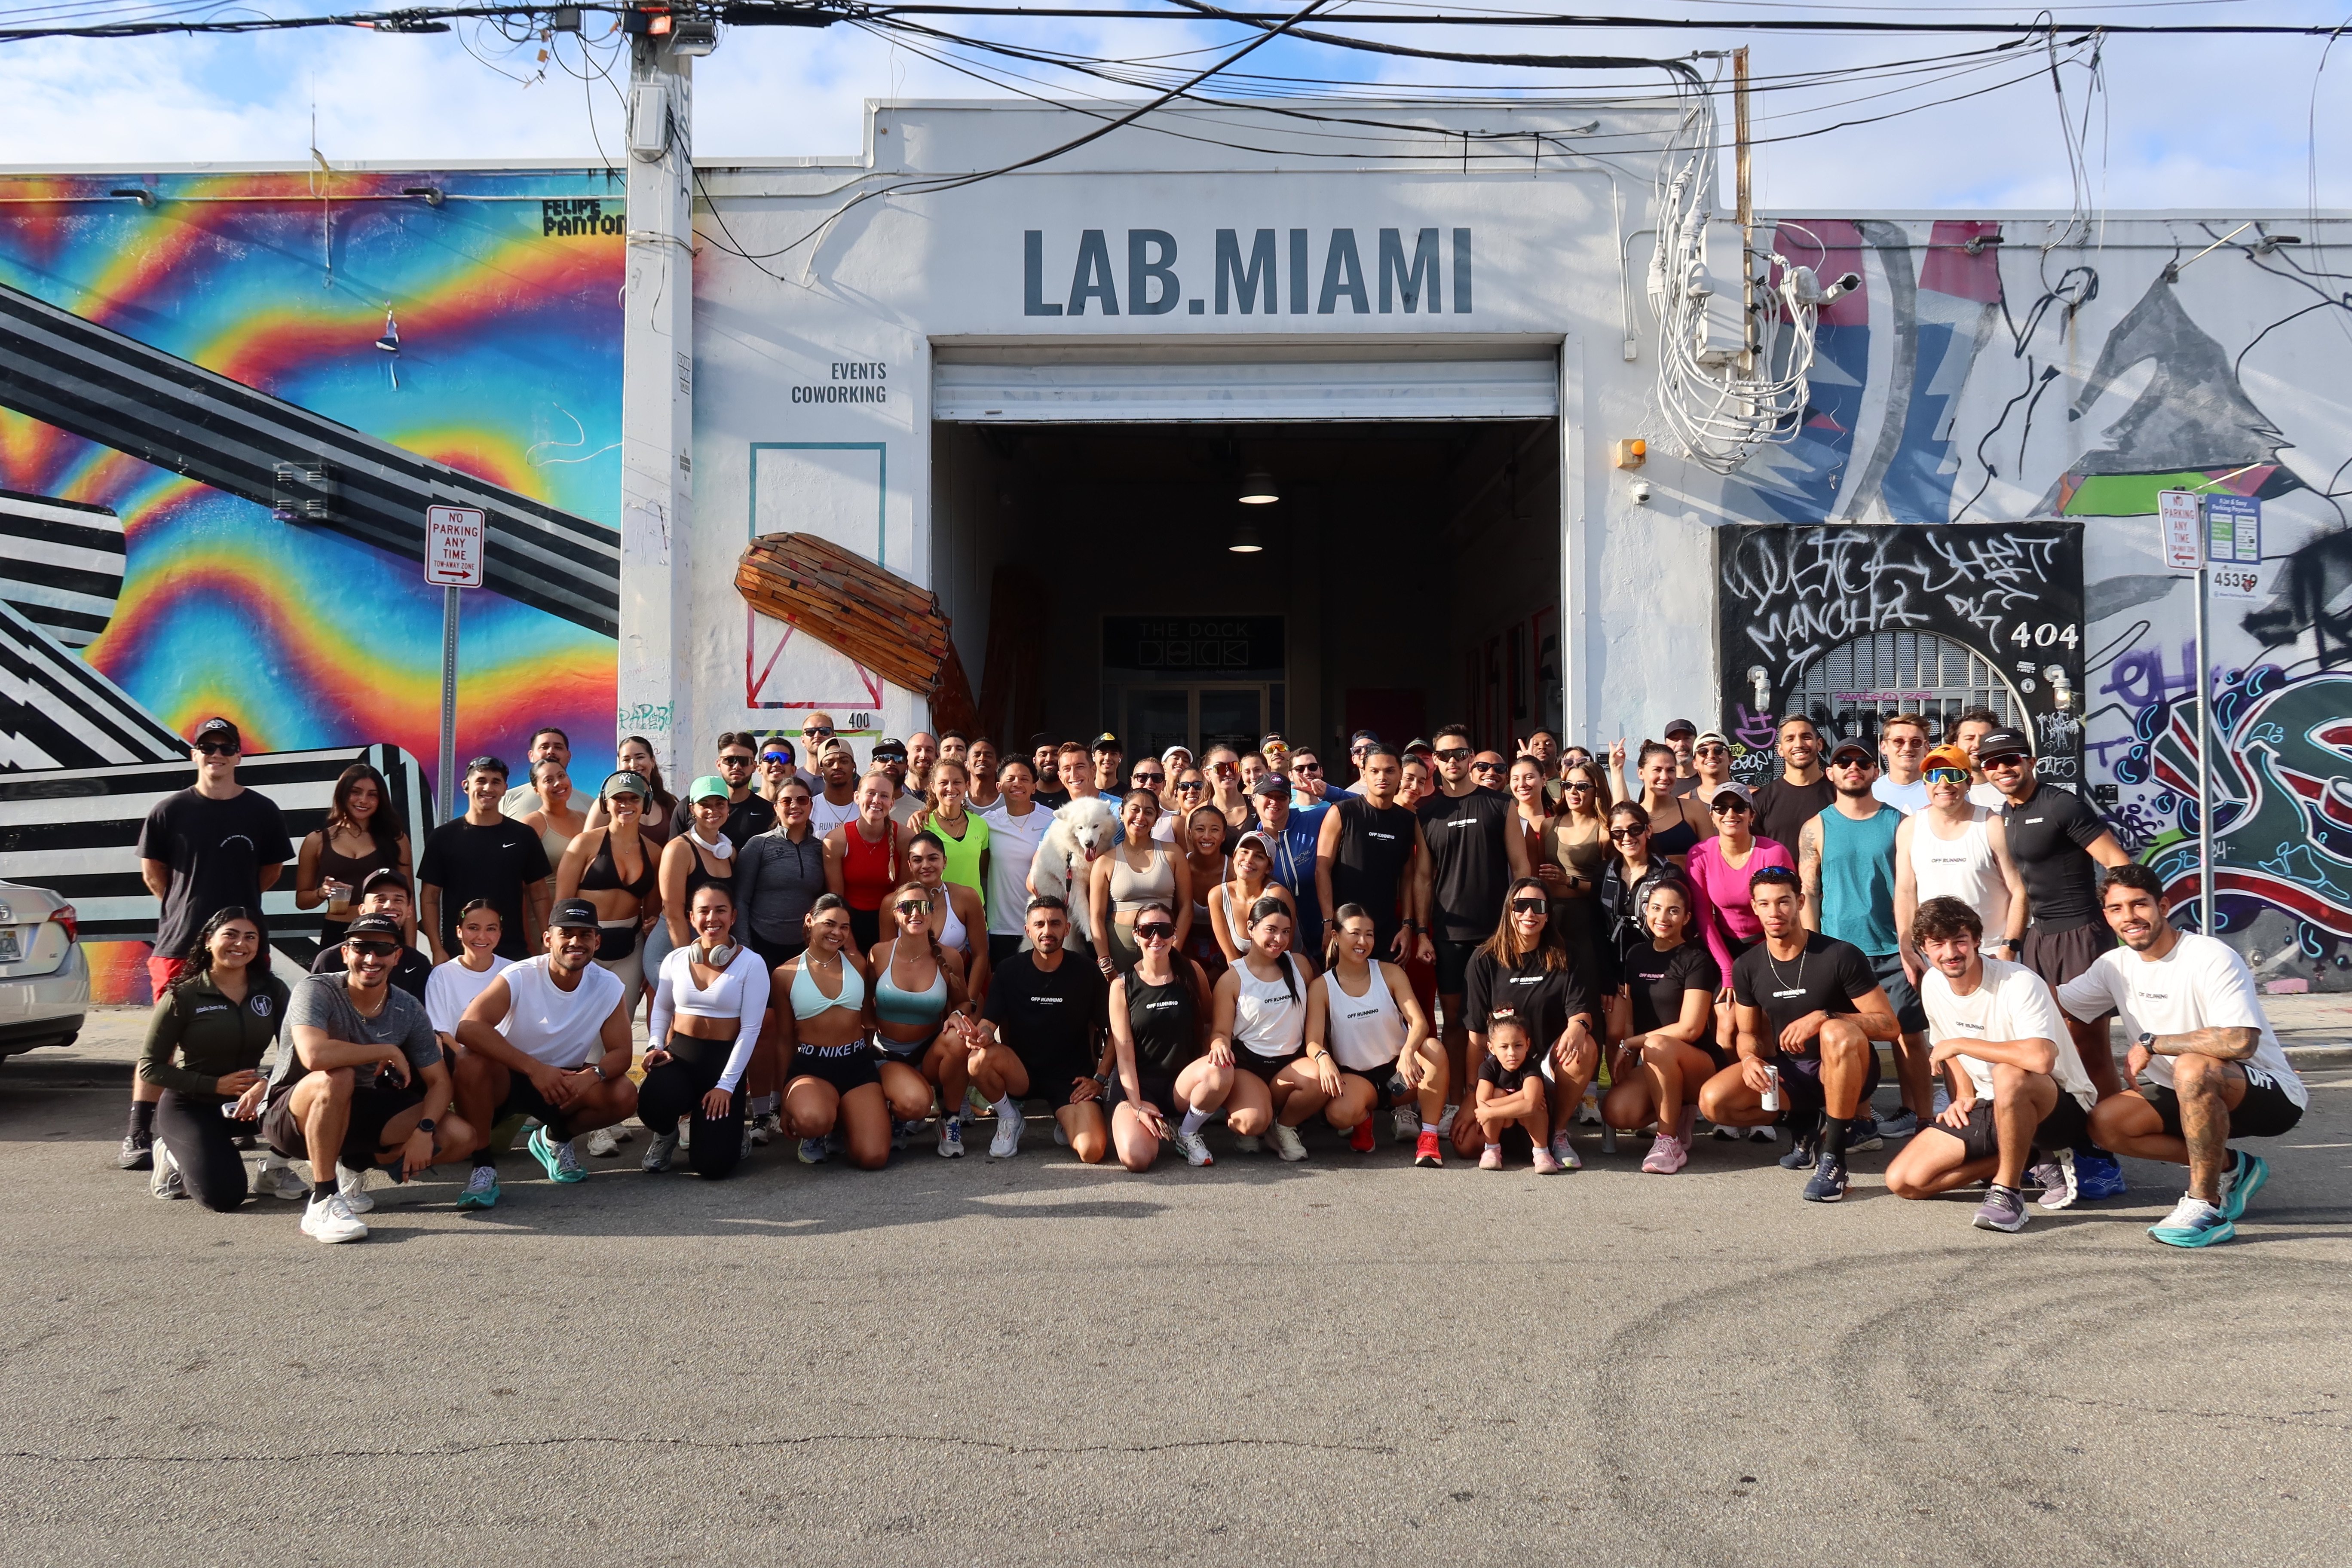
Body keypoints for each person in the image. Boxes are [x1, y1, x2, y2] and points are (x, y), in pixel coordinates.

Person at [2064, 865, 2307, 1248]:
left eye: (2139, 904)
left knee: (2193, 1065)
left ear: (2162, 905)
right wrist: (1992, 976)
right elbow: (2056, 1003)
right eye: (2116, 909)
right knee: (2106, 1123)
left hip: (2267, 1094)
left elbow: (2240, 1041)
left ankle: (2205, 1205)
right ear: (2107, 916)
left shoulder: (2209, 956)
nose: (2129, 917)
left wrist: (2153, 1043)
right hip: (2181, 1090)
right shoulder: (2114, 966)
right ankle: (2231, 1169)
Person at [126, 715, 291, 1171]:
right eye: (207, 747)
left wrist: (236, 920)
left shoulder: (261, 811)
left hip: (246, 944)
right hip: (179, 943)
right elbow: (153, 875)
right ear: (194, 754)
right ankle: (140, 1132)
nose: (216, 755)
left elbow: (270, 874)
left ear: (239, 755)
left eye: (225, 747)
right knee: (166, 1042)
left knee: (238, 1034)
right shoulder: (169, 811)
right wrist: (191, 911)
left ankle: (227, 1120)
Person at [1977, 724, 2135, 1197]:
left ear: (2031, 761)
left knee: (2089, 1049)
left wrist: (2119, 926)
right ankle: (2070, 1142)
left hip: (2080, 935)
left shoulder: (2061, 804)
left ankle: (2105, 1153)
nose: (2003, 769)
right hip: (2040, 940)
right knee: (2054, 1046)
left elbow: (2118, 864)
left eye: (2012, 759)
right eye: (1992, 763)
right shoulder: (2005, 812)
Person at [1883, 897, 2097, 1230]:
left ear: (1978, 941)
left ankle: (2008, 1192)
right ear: (1924, 949)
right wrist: (1964, 1095)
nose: (1950, 952)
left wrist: (1962, 1043)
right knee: (1905, 1182)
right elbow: (1944, 1046)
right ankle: (2023, 1158)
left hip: (2058, 1106)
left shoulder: (2019, 982)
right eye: (1938, 944)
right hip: (1991, 1104)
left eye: (1960, 941)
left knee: (2009, 1073)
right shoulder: (1934, 983)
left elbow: (2040, 1058)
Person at [1697, 866, 1902, 1203]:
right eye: (1764, 904)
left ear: (1800, 902)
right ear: (1754, 907)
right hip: (1792, 1071)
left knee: (1837, 1031)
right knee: (1714, 1102)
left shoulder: (1840, 955)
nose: (1774, 912)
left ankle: (1834, 1159)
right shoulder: (1747, 966)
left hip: (1848, 1065)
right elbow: (1748, 1033)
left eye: (1783, 902)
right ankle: (1804, 1123)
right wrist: (1749, 1058)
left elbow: (1889, 1026)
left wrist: (1824, 1017)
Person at [264, 913, 470, 1243]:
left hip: (356, 1108)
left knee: (460, 1135)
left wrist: (424, 1131)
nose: (371, 959)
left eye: (382, 949)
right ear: (346, 953)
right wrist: (384, 1049)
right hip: (292, 1114)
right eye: (361, 948)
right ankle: (324, 1199)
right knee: (338, 1077)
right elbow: (314, 1056)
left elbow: (440, 1082)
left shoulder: (408, 1007)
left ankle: (355, 1163)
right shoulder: (316, 989)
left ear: (397, 956)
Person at [449, 900, 636, 1207]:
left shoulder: (608, 985)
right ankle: (483, 1168)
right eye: (566, 934)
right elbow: (468, 1027)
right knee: (470, 1061)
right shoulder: (520, 975)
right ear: (548, 939)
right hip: (510, 1077)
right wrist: (534, 1069)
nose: (576, 942)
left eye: (585, 935)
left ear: (597, 942)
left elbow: (621, 1053)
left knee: (624, 1094)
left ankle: (555, 1138)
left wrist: (591, 1077)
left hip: (563, 1082)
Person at [1800, 740, 1931, 1137]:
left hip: (1894, 948)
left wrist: (1912, 945)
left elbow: (1913, 888)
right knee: (1850, 1036)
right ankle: (1860, 1120)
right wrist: (1813, 948)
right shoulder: (1816, 827)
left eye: (1862, 762)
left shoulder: (1900, 823)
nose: (1853, 767)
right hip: (1839, 953)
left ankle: (1920, 1117)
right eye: (1843, 762)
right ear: (1831, 773)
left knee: (1909, 1034)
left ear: (1876, 772)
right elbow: (1809, 892)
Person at [138, 907, 293, 1210]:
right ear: (209, 941)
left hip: (250, 1102)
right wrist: (214, 1085)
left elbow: (298, 1049)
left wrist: (266, 1082)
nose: (241, 944)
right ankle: (171, 1153)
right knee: (225, 1197)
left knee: (316, 1096)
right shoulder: (183, 995)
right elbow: (150, 1067)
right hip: (192, 1106)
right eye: (231, 935)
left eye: (251, 937)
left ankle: (274, 1170)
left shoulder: (272, 990)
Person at [1414, 723, 1533, 1115]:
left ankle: (1498, 1099)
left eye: (1460, 754)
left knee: (1501, 1019)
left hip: (1497, 934)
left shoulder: (1501, 805)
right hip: (1449, 934)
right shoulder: (1427, 811)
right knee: (1453, 1020)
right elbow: (1424, 877)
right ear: (1434, 761)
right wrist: (1421, 932)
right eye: (1444, 755)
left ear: (1472, 758)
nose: (1452, 761)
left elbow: (1521, 867)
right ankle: (1453, 1103)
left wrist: (1519, 924)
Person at [1459, 876, 1598, 1168]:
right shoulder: (1484, 959)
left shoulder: (1567, 955)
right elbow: (1475, 1038)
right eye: (1521, 906)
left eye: (1538, 906)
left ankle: (1557, 1133)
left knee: (1584, 1045)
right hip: (1500, 1067)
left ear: (1549, 914)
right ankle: (1508, 1136)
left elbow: (1582, 1013)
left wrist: (1577, 1026)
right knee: (1467, 1145)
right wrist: (1471, 1098)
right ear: (1509, 910)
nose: (1529, 914)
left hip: (1546, 1063)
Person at [960, 895, 1112, 1162]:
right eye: (1039, 924)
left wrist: (1099, 1080)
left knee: (1092, 1151)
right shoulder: (1008, 970)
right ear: (1028, 930)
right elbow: (988, 1023)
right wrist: (981, 1036)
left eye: (1055, 924)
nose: (1047, 931)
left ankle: (1066, 1121)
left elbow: (1116, 1034)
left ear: (1067, 929)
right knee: (978, 1060)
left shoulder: (1087, 972)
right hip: (1021, 1073)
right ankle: (1010, 1117)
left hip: (1072, 1080)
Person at [639, 882, 772, 1179]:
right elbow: (662, 1008)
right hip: (681, 1058)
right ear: (691, 917)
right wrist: (655, 1045)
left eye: (721, 910)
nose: (712, 918)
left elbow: (750, 1030)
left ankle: (733, 1134)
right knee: (652, 1101)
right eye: (704, 911)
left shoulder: (752, 964)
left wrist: (726, 1085)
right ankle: (667, 1134)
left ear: (734, 916)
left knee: (712, 1167)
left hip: (723, 1066)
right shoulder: (675, 960)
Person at [1306, 903, 1445, 1166]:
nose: (1363, 941)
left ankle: (1429, 1138)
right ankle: (1363, 1119)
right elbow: (1313, 1041)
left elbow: (1420, 1023)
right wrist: (1323, 1058)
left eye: (1369, 934)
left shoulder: (1390, 972)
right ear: (1335, 936)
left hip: (1400, 1076)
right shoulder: (1321, 986)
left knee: (1434, 1051)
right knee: (1340, 1114)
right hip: (1359, 1080)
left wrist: (1408, 1051)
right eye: (1355, 933)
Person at [1601, 879, 1722, 1174]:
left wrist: (1633, 1044)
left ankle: (1668, 1141)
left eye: (1673, 911)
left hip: (1699, 1065)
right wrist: (1625, 1056)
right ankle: (1676, 1110)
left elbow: (1691, 1029)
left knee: (1657, 1045)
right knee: (1618, 1112)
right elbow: (1629, 1019)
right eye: (1656, 909)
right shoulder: (1635, 955)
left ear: (1687, 918)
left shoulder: (1696, 960)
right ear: (1645, 911)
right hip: (1656, 1060)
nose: (1663, 918)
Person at [1895, 747, 2028, 1012]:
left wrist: (2007, 949)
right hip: (1937, 958)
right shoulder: (1911, 827)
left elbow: (2019, 891)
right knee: (1951, 1038)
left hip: (1991, 955)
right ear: (1925, 784)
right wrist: (1907, 947)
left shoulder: (1991, 824)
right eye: (1934, 776)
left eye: (1952, 774)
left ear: (1968, 782)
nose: (1943, 784)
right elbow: (1905, 892)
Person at [1106, 897, 1224, 1170]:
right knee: (1136, 1158)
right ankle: (1153, 1123)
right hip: (1139, 1086)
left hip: (1181, 1085)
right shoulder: (1122, 986)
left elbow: (1209, 1022)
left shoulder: (1192, 972)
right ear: (1136, 936)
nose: (1156, 937)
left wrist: (1208, 1069)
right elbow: (1123, 1056)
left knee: (1222, 1067)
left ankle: (1187, 1132)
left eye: (1164, 930)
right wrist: (1137, 1106)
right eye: (1148, 931)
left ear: (1175, 934)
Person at [776, 894, 888, 1169]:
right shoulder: (785, 974)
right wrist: (783, 1103)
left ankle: (845, 1122)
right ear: (809, 921)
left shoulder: (858, 964)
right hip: (811, 1068)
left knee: (873, 1158)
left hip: (856, 1065)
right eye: (829, 924)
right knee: (813, 1119)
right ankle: (818, 1130)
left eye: (845, 927)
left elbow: (868, 1019)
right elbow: (783, 1040)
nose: (837, 933)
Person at [1212, 897, 1327, 1161]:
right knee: (1251, 1123)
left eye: (1286, 932)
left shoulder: (1299, 965)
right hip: (1249, 1068)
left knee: (1322, 1079)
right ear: (1250, 928)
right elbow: (1220, 1032)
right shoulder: (1232, 978)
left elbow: (1315, 1018)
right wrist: (1219, 1044)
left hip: (1290, 1066)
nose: (1279, 939)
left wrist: (1324, 1056)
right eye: (1271, 930)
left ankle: (1283, 1126)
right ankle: (1254, 1118)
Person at [868, 871, 973, 1152]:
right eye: (907, 907)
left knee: (958, 1037)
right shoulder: (878, 955)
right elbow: (865, 1012)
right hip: (888, 1057)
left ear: (932, 913)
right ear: (895, 914)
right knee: (915, 1104)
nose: (916, 913)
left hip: (929, 1055)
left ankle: (950, 1120)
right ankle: (897, 1112)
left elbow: (965, 1002)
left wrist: (956, 1015)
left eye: (924, 906)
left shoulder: (949, 957)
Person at [1679, 782, 1791, 1045]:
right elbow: (1703, 916)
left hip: (1769, 946)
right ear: (1712, 816)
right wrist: (1728, 971)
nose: (1731, 814)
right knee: (1728, 1029)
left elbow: (1786, 911)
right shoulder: (1700, 854)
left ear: (1751, 815)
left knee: (1764, 1026)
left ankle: (1773, 1084)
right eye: (1721, 808)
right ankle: (1734, 1083)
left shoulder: (1773, 853)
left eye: (1739, 807)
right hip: (1724, 949)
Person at [417, 755, 549, 965]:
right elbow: (430, 898)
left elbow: (540, 895)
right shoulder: (443, 837)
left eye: (496, 782)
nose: (488, 788)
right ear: (466, 786)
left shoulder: (523, 836)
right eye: (481, 781)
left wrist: (546, 939)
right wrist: (437, 949)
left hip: (511, 953)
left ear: (505, 788)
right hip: (458, 954)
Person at [556, 770, 663, 1020]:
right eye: (618, 799)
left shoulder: (655, 853)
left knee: (621, 1022)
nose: (626, 805)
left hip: (630, 947)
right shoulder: (584, 844)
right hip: (581, 943)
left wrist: (652, 958)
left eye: (633, 799)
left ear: (645, 803)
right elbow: (561, 905)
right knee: (577, 1023)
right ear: (606, 802)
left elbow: (652, 916)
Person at [1315, 746, 1422, 962]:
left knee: (1386, 995)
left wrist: (1407, 926)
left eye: (1390, 771)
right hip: (1345, 930)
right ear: (1363, 773)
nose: (1382, 777)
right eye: (1374, 771)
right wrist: (1329, 922)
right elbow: (1322, 869)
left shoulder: (1408, 821)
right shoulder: (1342, 812)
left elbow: (1408, 877)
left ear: (1401, 774)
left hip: (1387, 933)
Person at [295, 762, 409, 951]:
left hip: (384, 931)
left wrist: (408, 949)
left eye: (372, 794)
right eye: (356, 792)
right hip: (336, 931)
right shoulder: (317, 840)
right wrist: (322, 893)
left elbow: (408, 900)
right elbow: (302, 901)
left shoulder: (397, 840)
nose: (364, 800)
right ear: (343, 794)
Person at [1089, 790, 1191, 977]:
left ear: (1157, 817)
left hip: (1164, 945)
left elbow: (1186, 908)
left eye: (1149, 812)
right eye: (1134, 810)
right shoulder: (1104, 861)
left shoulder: (1173, 854)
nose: (1141, 817)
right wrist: (1105, 963)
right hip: (1121, 948)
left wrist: (1174, 950)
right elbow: (1096, 917)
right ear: (1121, 812)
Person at [736, 774, 827, 971]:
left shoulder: (820, 849)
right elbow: (741, 900)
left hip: (804, 948)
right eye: (786, 801)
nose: (795, 806)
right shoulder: (758, 845)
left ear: (811, 806)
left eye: (802, 800)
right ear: (776, 808)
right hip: (762, 946)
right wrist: (745, 948)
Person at [1535, 759, 1612, 988]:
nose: (1573, 792)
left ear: (1597, 790)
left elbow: (1609, 888)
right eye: (1567, 786)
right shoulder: (1548, 825)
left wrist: (1569, 881)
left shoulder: (1605, 830)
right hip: (1549, 915)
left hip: (1585, 918)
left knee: (1584, 984)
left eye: (1582, 786)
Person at [308, 868, 432, 1001]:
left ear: (410, 911)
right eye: (380, 900)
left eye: (398, 900)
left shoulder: (418, 963)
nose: (389, 906)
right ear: (362, 910)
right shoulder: (330, 959)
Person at [978, 757, 1052, 968]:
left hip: (1041, 925)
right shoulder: (987, 822)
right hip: (1000, 926)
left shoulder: (1051, 819)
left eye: (1024, 779)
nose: (1017, 783)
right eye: (1010, 779)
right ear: (999, 787)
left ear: (1034, 786)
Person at [1468, 1013, 1564, 1173]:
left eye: (1518, 1045)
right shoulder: (1488, 1067)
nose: (1512, 1053)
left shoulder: (1531, 1066)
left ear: (1527, 1044)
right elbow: (1482, 1102)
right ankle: (1491, 1149)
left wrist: (1491, 1112)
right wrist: (1521, 1097)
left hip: (1530, 1136)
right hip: (1501, 1133)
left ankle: (1542, 1153)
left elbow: (1532, 1105)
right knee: (1497, 1094)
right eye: (1504, 1047)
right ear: (1491, 1048)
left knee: (1539, 1106)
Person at [1596, 800, 1674, 992]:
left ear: (1648, 831)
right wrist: (1607, 979)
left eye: (1635, 829)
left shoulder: (1668, 874)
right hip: (1617, 973)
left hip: (1661, 971)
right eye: (1618, 832)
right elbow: (1596, 927)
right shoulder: (1603, 873)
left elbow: (1682, 928)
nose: (1627, 837)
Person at [424, 898, 511, 1058]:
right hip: (463, 1063)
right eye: (473, 928)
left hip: (507, 1062)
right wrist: (467, 1061)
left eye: (491, 929)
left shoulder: (514, 971)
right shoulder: (442, 975)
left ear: (500, 933)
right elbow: (441, 1031)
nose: (482, 937)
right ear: (459, 931)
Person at [909, 757, 992, 920]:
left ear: (967, 786)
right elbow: (912, 876)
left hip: (974, 917)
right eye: (943, 783)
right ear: (932, 786)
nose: (950, 788)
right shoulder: (920, 826)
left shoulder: (981, 825)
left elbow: (983, 870)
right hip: (934, 917)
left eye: (957, 782)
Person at [1610, 738, 1712, 862]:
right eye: (1657, 770)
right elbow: (1620, 813)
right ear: (1641, 773)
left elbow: (1712, 858)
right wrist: (1617, 770)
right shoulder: (1635, 817)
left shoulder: (1694, 809)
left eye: (1671, 770)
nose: (1664, 777)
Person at [669, 732, 777, 845]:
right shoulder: (690, 805)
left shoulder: (768, 811)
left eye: (744, 761)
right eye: (730, 760)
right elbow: (673, 850)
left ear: (754, 766)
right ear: (719, 764)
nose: (737, 766)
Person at [1749, 715, 1835, 851]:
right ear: (1780, 750)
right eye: (1790, 739)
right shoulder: (1760, 800)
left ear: (1819, 744)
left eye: (1806, 737)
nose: (1799, 745)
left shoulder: (1840, 794)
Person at [1210, 829, 1295, 967]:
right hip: (1244, 970)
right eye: (1244, 852)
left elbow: (1284, 953)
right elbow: (1232, 958)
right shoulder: (1217, 896)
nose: (1249, 860)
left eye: (1259, 857)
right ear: (1234, 856)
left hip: (1282, 967)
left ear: (1269, 868)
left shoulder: (1277, 895)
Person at [1175, 804, 1231, 979]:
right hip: (1185, 950)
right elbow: (1174, 918)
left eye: (1215, 830)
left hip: (1227, 953)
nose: (1207, 836)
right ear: (1190, 833)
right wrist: (1190, 964)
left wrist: (1221, 966)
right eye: (1200, 829)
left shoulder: (1234, 871)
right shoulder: (1178, 866)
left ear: (1223, 836)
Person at [516, 760, 586, 890]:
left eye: (561, 776)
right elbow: (516, 877)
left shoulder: (583, 818)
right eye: (549, 780)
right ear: (537, 790)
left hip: (582, 906)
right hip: (547, 906)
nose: (559, 783)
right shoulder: (532, 824)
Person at [498, 726, 572, 817]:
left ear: (569, 756)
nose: (551, 751)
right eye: (544, 747)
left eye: (558, 747)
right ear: (531, 756)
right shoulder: (506, 799)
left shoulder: (587, 804)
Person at [1950, 707, 2010, 811]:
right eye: (1970, 738)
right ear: (1955, 745)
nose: (1977, 745)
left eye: (1984, 738)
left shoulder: (2011, 787)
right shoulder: (1943, 790)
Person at [1871, 712, 1931, 815]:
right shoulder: (1870, 792)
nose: (1907, 749)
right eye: (1898, 741)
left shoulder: (1942, 792)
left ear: (1926, 748)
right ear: (1884, 747)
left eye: (1916, 742)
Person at [808, 738, 864, 836]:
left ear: (854, 767)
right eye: (829, 764)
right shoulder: (810, 807)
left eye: (844, 761)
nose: (837, 767)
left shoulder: (865, 806)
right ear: (822, 770)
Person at [1203, 744, 1250, 834]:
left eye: (1234, 766)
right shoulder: (1198, 815)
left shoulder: (1258, 805)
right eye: (1220, 768)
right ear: (1207, 774)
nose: (1228, 773)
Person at [1686, 730, 1735, 805]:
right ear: (1695, 764)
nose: (1711, 756)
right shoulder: (1685, 802)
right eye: (1703, 752)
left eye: (1718, 750)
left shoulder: (1753, 796)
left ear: (1731, 759)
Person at [753, 735, 800, 808]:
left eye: (784, 759)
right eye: (770, 758)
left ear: (793, 770)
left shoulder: (799, 808)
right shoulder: (746, 807)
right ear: (759, 768)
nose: (777, 764)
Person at [1660, 717, 1701, 796]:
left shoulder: (1709, 781)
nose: (1681, 744)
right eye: (1675, 739)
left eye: (1687, 738)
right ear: (1666, 746)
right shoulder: (1660, 784)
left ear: (1696, 744)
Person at [1032, 740, 1073, 812]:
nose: (1049, 759)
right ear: (1034, 760)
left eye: (1055, 754)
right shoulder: (1026, 795)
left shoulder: (1074, 794)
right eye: (1043, 755)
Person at [966, 735, 1003, 812]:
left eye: (988, 756)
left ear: (998, 765)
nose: (982, 759)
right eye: (976, 755)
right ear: (967, 765)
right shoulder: (959, 800)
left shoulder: (1008, 801)